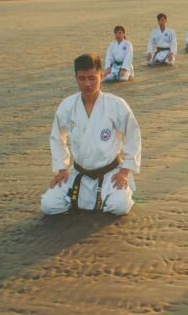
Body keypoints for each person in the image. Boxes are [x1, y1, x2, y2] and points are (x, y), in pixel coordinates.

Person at [40, 53, 142, 215]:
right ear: (76, 78)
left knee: (119, 207)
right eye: (82, 78)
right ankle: (81, 197)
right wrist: (61, 168)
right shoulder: (67, 106)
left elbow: (133, 136)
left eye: (92, 78)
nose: (87, 83)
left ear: (101, 76)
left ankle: (117, 193)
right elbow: (57, 137)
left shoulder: (115, 104)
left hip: (110, 173)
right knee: (48, 205)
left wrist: (125, 171)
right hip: (79, 173)